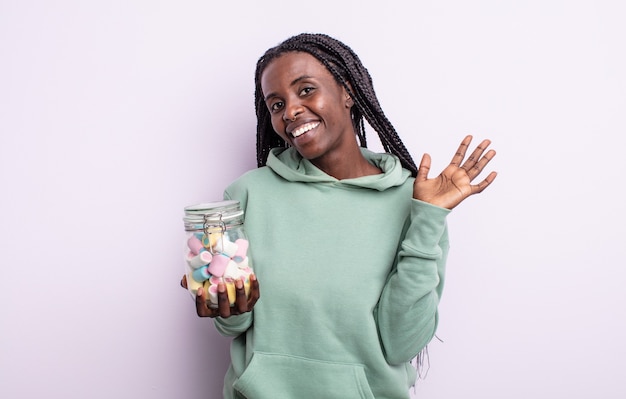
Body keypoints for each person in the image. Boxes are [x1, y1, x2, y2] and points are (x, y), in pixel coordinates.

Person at [181, 33, 497, 398]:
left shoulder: (413, 201)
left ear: (347, 91)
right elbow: (237, 323)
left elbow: (401, 344)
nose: (291, 111)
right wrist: (225, 305)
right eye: (277, 104)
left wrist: (428, 217)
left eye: (305, 90)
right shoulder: (247, 195)